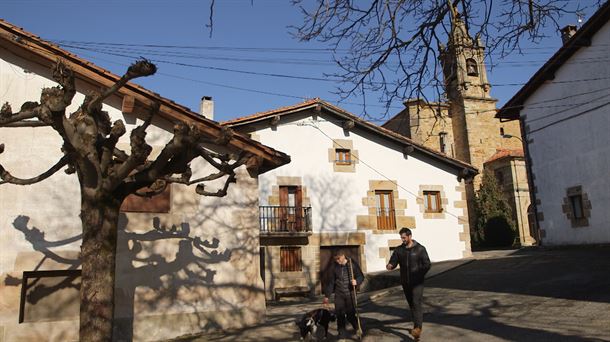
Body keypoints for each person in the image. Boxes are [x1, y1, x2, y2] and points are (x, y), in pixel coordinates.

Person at [386, 227, 431, 340]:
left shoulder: (420, 249)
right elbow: (393, 261)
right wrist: (390, 265)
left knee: (416, 303)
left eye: (404, 237)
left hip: (417, 282)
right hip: (405, 282)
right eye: (401, 238)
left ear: (410, 236)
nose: (403, 240)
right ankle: (416, 324)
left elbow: (427, 264)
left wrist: (419, 274)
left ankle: (417, 328)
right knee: (411, 304)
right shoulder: (399, 250)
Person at [323, 250, 365, 339]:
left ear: (343, 256)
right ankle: (342, 336)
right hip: (339, 295)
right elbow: (331, 282)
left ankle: (357, 328)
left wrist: (356, 281)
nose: (337, 261)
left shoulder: (352, 264)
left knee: (350, 315)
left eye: (338, 259)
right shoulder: (335, 267)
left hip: (350, 294)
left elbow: (361, 276)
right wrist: (327, 296)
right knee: (340, 315)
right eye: (335, 259)